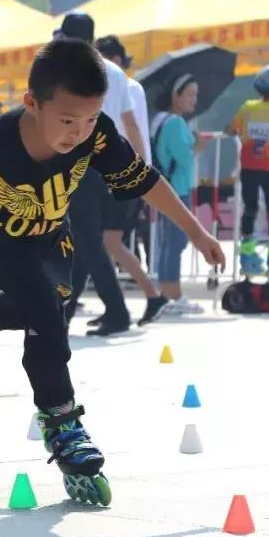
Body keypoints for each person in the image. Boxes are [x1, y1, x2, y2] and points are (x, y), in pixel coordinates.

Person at [0, 38, 225, 507]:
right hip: (5, 238)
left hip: (52, 236)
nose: (77, 134)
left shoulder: (96, 132)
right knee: (46, 319)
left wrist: (198, 231)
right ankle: (63, 426)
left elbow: (144, 181)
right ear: (32, 103)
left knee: (47, 305)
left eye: (87, 120)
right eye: (65, 121)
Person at [53, 13, 158, 335]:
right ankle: (65, 312)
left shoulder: (64, 71)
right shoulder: (114, 71)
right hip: (115, 164)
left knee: (86, 242)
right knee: (87, 242)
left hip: (82, 167)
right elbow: (130, 123)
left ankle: (116, 312)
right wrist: (141, 167)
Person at [94, 34, 169, 326]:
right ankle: (118, 302)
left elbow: (131, 127)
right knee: (104, 243)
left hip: (123, 171)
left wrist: (139, 173)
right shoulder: (125, 84)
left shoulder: (124, 85)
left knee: (107, 242)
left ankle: (150, 296)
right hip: (121, 170)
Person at [228, 65, 269, 276]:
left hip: (248, 167)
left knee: (250, 209)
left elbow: (231, 128)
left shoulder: (247, 107)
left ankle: (247, 256)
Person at [152, 74, 207, 314]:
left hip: (173, 188)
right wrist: (198, 146)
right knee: (175, 241)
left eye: (196, 94)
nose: (194, 99)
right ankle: (172, 294)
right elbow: (183, 158)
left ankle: (168, 293)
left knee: (173, 241)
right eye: (190, 94)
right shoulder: (174, 123)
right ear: (176, 95)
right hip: (177, 188)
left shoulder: (167, 121)